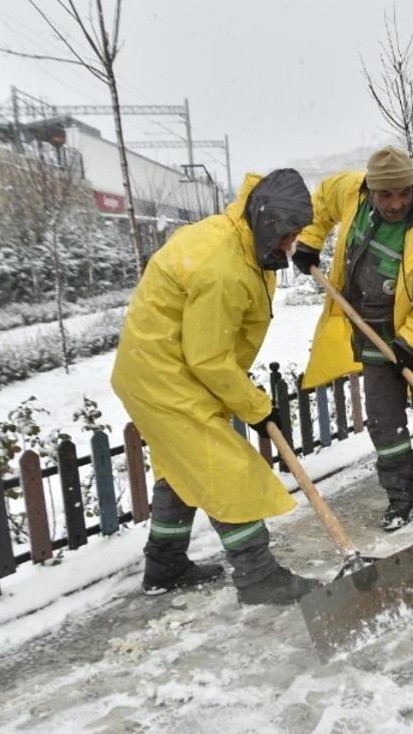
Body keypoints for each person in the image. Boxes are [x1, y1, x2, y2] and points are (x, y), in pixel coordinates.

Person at [111, 169, 322, 606]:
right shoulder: (222, 265)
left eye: (295, 235)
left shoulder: (241, 240)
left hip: (165, 368)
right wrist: (257, 408)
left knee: (183, 469)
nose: (291, 245)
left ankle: (165, 565)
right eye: (287, 236)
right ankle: (258, 575)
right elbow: (208, 357)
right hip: (164, 376)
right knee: (224, 470)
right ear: (265, 222)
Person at [292, 147, 413, 532]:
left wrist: (409, 342)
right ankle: (401, 499)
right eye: (386, 195)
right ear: (370, 190)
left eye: (404, 193)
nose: (396, 203)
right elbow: (324, 199)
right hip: (370, 332)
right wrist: (311, 240)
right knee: (385, 423)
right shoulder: (352, 192)